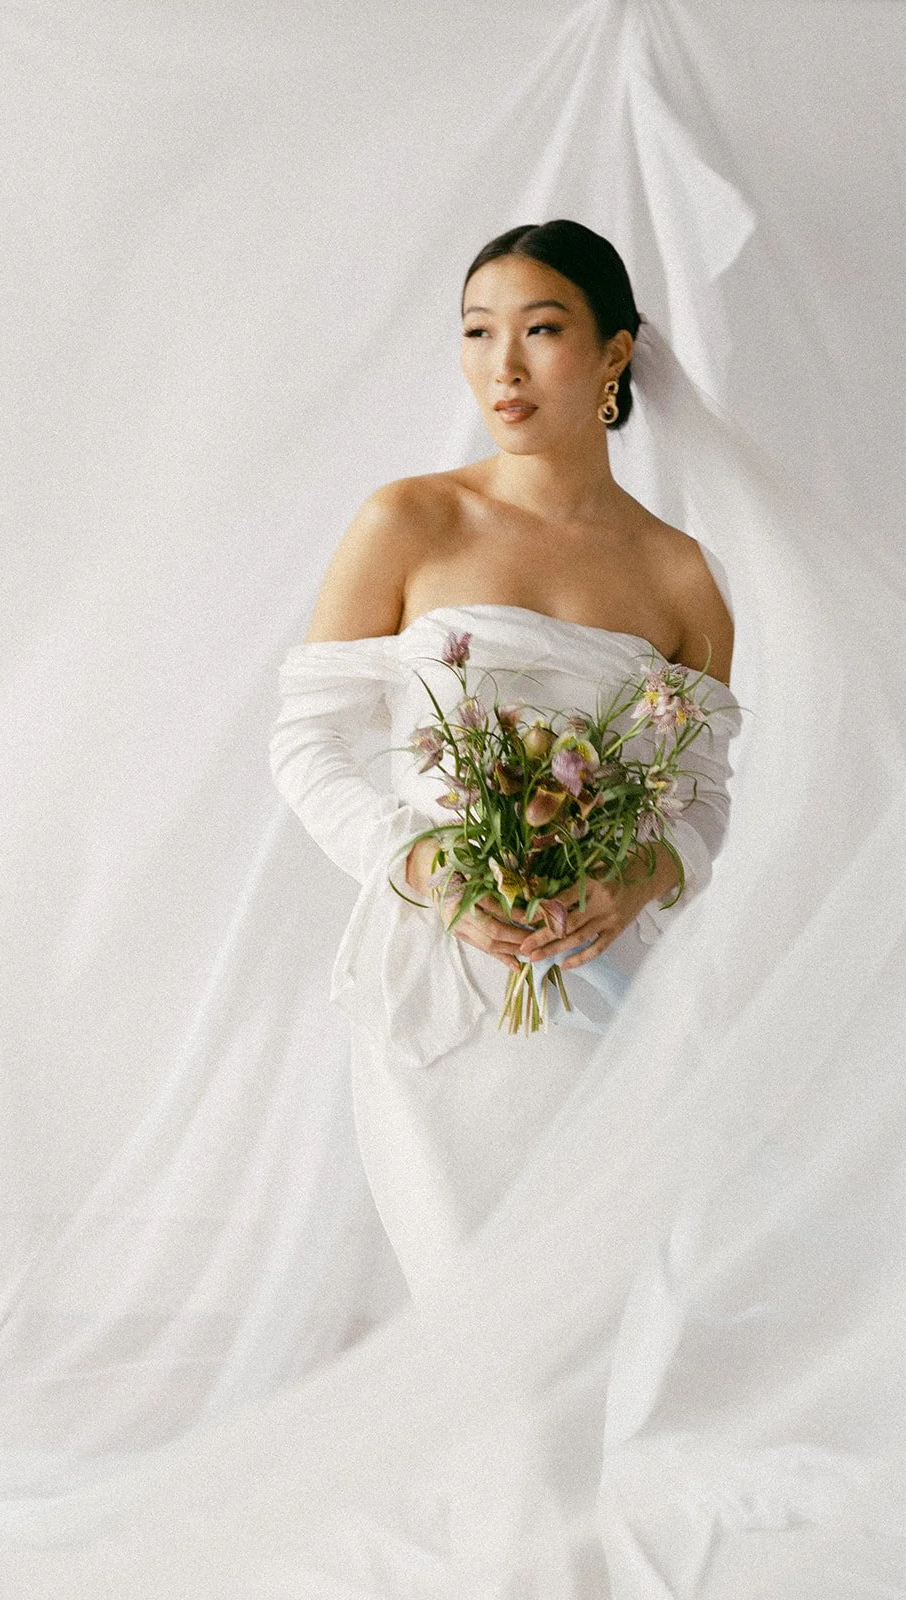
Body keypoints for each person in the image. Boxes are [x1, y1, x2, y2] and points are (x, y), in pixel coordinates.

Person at [271, 220, 743, 1295]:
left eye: (541, 330)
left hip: (605, 979)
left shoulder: (682, 578)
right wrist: (425, 863)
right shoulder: (409, 520)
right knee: (476, 1310)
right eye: (478, 332)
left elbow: (701, 797)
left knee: (590, 1313)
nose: (504, 366)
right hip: (437, 983)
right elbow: (306, 744)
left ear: (614, 353)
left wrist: (639, 876)